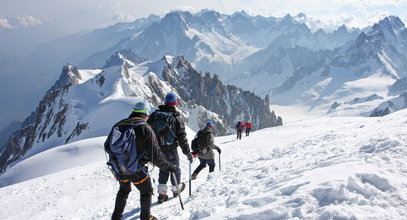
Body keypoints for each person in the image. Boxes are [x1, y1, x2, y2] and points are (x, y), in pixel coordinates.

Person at [110, 101, 177, 220]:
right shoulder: (145, 128)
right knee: (146, 191)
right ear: (146, 115)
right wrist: (170, 167)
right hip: (135, 169)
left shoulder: (120, 124)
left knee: (124, 189)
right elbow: (156, 157)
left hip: (118, 166)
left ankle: (116, 217)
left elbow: (108, 146)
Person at [147, 92, 193, 204]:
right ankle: (176, 190)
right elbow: (182, 137)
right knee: (175, 169)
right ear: (175, 103)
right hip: (171, 149)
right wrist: (187, 153)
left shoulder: (154, 115)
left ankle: (162, 195)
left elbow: (148, 132)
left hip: (158, 150)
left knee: (163, 170)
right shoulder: (177, 117)